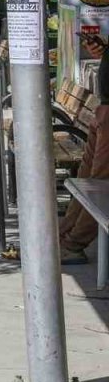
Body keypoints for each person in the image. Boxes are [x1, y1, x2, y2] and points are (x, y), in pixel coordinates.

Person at [60, 56, 109, 264]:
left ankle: (73, 244)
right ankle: (64, 236)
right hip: (104, 107)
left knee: (99, 185)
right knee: (86, 178)